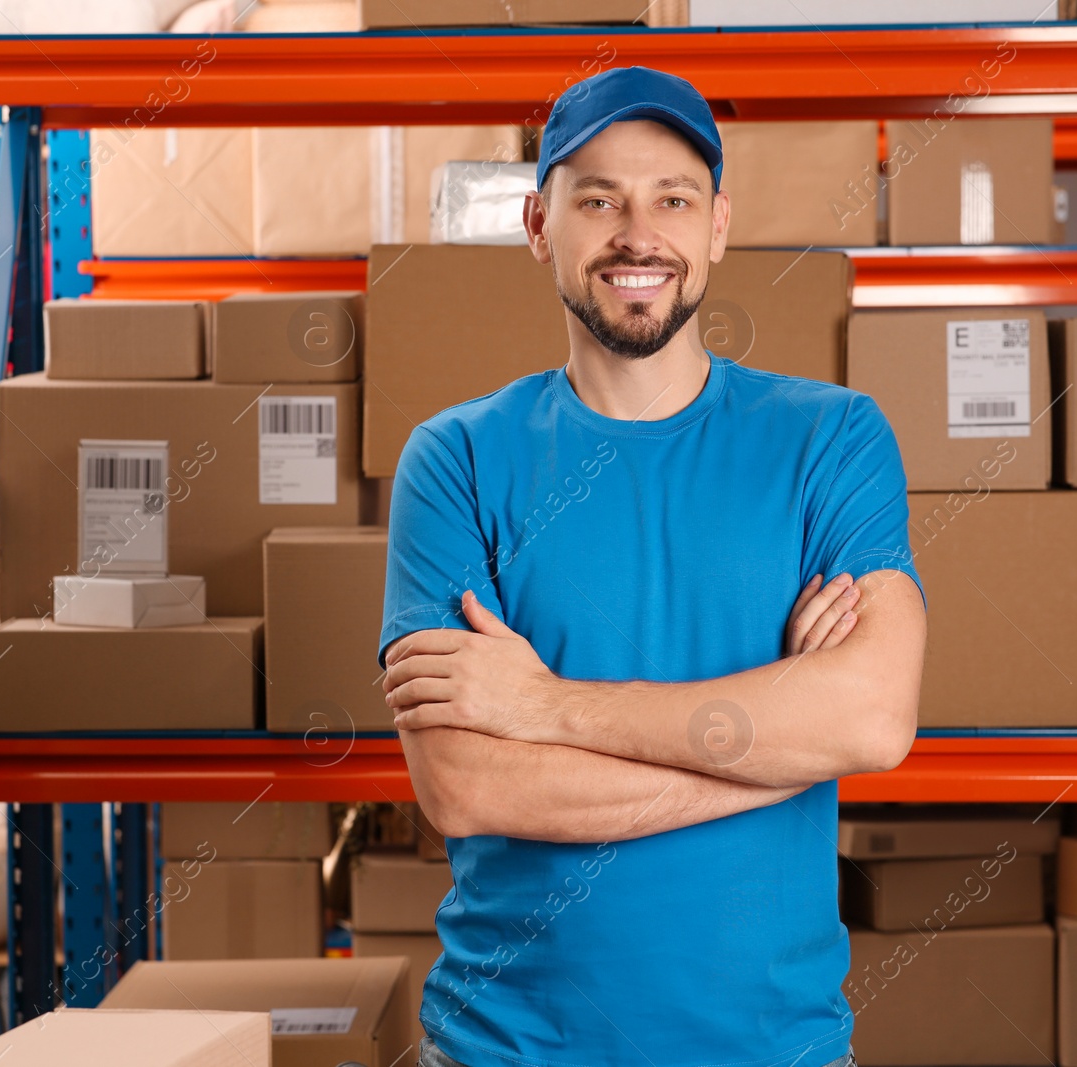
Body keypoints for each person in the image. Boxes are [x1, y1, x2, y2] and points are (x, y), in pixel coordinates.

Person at [377, 64, 927, 1067]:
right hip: (505, 1049)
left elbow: (872, 718)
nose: (638, 235)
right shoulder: (453, 457)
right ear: (540, 226)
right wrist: (772, 754)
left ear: (717, 225)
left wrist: (545, 708)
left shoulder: (832, 439)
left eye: (672, 199)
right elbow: (462, 782)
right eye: (599, 200)